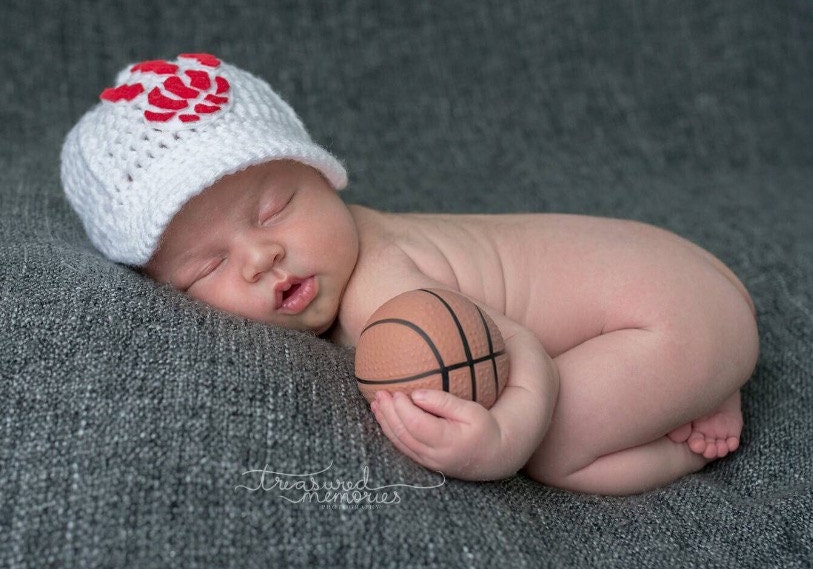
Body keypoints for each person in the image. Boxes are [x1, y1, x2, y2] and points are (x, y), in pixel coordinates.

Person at [61, 54, 759, 495]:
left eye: (276, 207)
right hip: (677, 272)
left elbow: (518, 350)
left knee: (554, 450)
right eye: (207, 265)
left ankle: (685, 436)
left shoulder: (382, 294)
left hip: (666, 313)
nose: (260, 257)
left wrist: (498, 442)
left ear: (319, 173)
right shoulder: (350, 237)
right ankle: (697, 373)